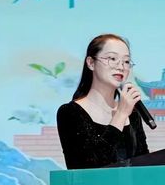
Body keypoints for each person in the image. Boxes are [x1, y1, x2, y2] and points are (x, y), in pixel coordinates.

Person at [56, 33, 149, 169]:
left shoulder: (132, 114)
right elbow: (93, 164)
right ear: (91, 63)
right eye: (112, 58)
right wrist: (121, 115)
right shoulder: (70, 112)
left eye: (126, 61)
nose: (121, 66)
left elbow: (145, 165)